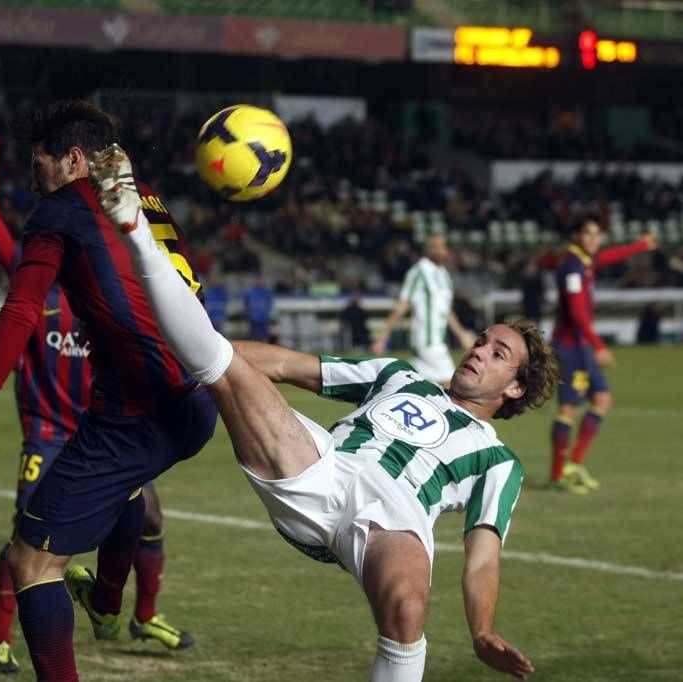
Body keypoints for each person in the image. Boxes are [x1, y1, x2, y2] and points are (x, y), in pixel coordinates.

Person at [88, 144, 561, 681]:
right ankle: (132, 224)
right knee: (226, 368)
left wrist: (481, 631)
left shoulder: (499, 463)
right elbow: (289, 365)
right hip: (322, 463)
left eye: (497, 354)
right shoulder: (399, 375)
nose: (477, 351)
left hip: (397, 521)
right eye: (481, 341)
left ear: (517, 388)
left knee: (408, 610)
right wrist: (204, 353)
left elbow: (482, 555)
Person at [0, 103, 216, 682]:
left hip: (135, 411)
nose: (33, 177)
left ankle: (102, 611)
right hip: (196, 399)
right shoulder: (144, 195)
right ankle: (108, 602)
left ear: (72, 160)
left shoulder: (62, 210)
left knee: (31, 561)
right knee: (128, 491)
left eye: (38, 163)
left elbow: (21, 307)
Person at [550, 215, 656, 494]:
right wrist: (598, 344)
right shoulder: (572, 266)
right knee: (569, 408)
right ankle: (558, 474)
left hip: (582, 345)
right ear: (576, 235)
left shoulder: (585, 261)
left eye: (597, 234)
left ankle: (573, 465)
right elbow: (575, 311)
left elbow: (609, 256)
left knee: (602, 399)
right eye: (588, 233)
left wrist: (640, 245)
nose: (594, 239)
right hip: (570, 346)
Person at [371, 234, 476, 384]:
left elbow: (446, 310)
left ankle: (382, 388)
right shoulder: (419, 272)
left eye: (444, 247)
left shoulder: (444, 274)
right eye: (438, 247)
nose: (442, 251)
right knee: (452, 387)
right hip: (426, 341)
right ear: (429, 250)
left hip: (437, 341)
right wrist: (383, 336)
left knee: (418, 387)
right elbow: (403, 304)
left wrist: (461, 334)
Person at [243, 272, 274, 341]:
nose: (258, 281)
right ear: (254, 281)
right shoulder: (249, 292)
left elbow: (270, 304)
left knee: (264, 340)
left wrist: (266, 315)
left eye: (260, 279)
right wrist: (249, 315)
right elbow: (246, 304)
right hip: (253, 321)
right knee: (253, 339)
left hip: (264, 320)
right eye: (256, 279)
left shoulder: (267, 292)